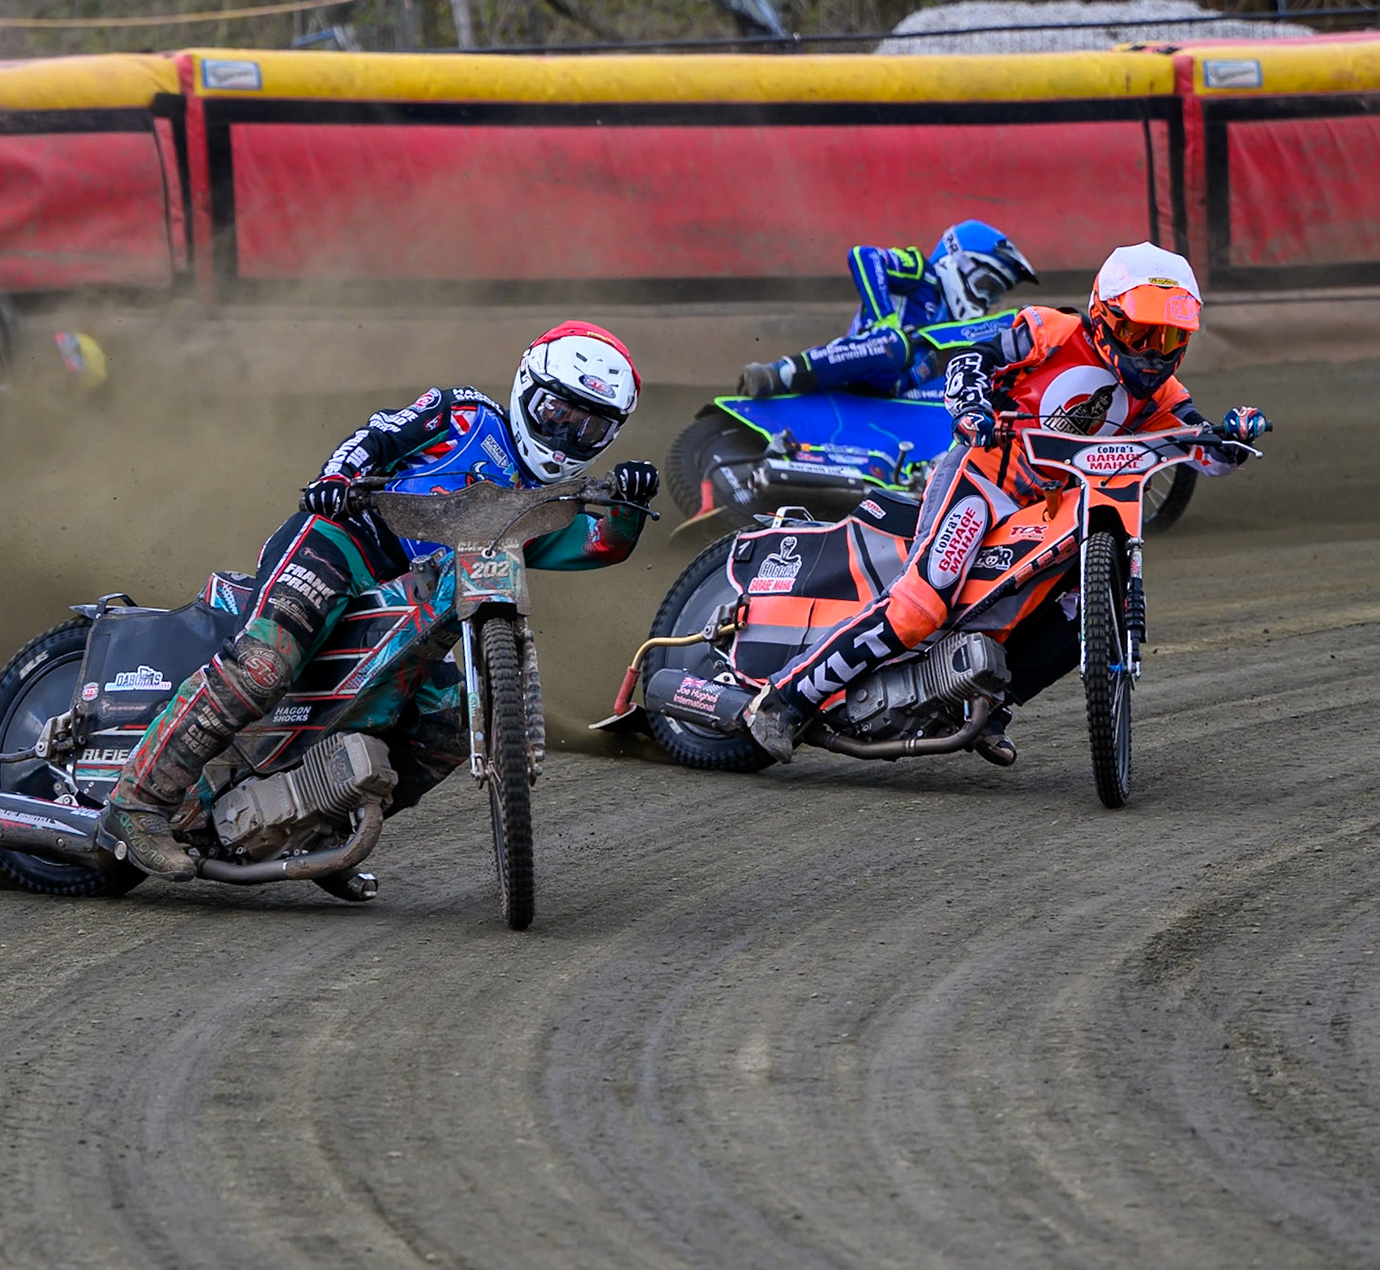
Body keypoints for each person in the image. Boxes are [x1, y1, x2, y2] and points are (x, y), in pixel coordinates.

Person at [99, 322, 663, 879]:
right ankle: (137, 803)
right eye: (557, 411)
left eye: (589, 426)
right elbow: (379, 435)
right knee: (264, 666)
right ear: (526, 390)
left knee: (449, 718)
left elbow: (601, 544)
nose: (567, 433)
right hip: (342, 541)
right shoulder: (464, 413)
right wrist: (337, 476)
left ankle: (319, 831)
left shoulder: (550, 503)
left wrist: (629, 503)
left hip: (414, 606)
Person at [743, 242, 1271, 765]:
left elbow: (1205, 450)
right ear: (1105, 316)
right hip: (984, 479)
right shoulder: (1052, 330)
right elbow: (973, 359)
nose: (1154, 354)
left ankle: (989, 707)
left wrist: (1234, 435)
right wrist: (971, 405)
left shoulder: (1163, 394)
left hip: (1054, 510)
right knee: (920, 605)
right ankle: (785, 700)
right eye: (1140, 334)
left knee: (1085, 610)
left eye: (1171, 337)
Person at [737, 220, 1039, 400]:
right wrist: (884, 319)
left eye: (995, 294)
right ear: (955, 260)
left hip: (900, 394)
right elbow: (864, 256)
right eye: (987, 285)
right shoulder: (922, 273)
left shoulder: (956, 329)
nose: (986, 299)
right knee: (895, 345)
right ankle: (778, 374)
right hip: (868, 363)